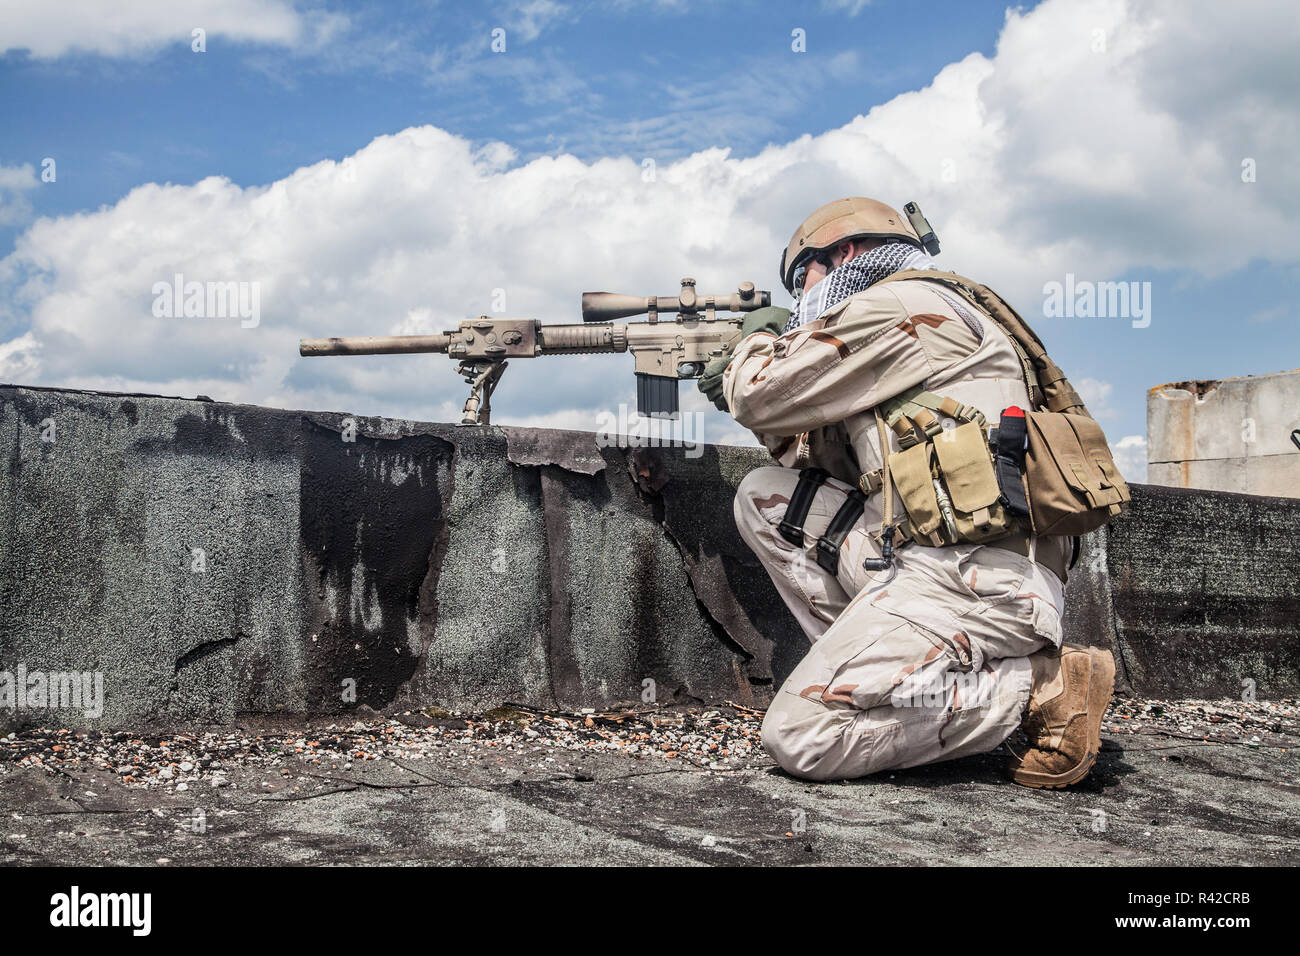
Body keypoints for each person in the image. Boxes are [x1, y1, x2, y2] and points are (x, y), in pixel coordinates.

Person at [698, 197, 1115, 787]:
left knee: (801, 737)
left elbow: (759, 391)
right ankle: (899, 679)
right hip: (925, 565)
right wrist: (767, 407)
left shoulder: (901, 302)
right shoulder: (910, 314)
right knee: (766, 496)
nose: (799, 302)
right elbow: (825, 469)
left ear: (842, 254)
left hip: (978, 581)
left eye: (803, 280)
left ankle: (1040, 687)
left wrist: (751, 351)